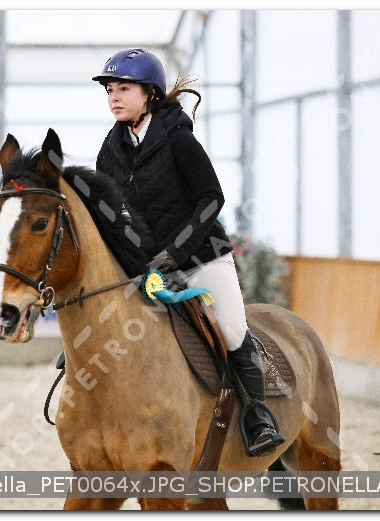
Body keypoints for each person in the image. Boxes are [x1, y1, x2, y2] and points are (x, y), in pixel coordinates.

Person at [92, 48, 284, 457]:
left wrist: (173, 255)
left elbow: (211, 199)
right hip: (145, 267)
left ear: (150, 94)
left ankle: (258, 416)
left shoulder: (178, 140)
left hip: (202, 257)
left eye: (124, 88)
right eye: (110, 89)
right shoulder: (108, 153)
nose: (114, 96)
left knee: (232, 331)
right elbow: (109, 215)